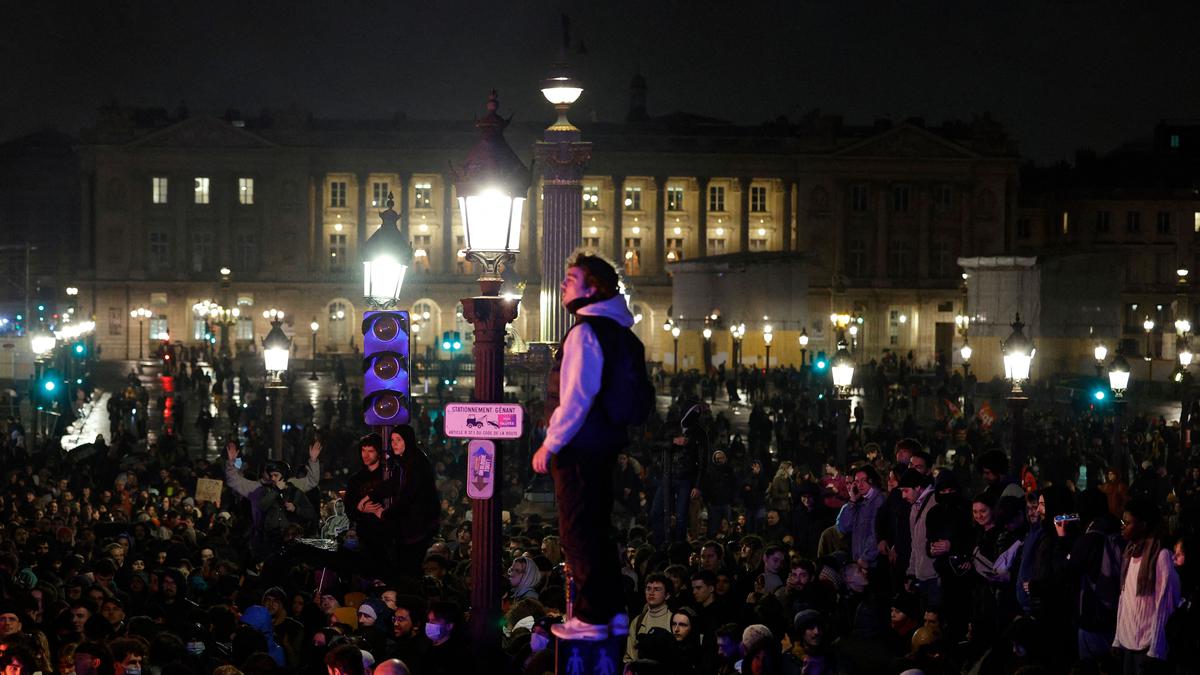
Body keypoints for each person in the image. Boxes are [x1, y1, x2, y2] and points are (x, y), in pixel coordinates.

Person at [532, 253, 642, 641]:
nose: (564, 284)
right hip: (605, 443)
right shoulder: (618, 331)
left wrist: (550, 443)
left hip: (579, 444)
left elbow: (576, 395)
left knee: (577, 529)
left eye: (572, 277)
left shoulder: (584, 332)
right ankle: (612, 611)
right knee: (598, 527)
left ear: (593, 287)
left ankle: (591, 617)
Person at [1113, 498, 1182, 671]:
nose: (1122, 526)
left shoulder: (1161, 556)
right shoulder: (1129, 553)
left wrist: (1156, 650)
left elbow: (1164, 607)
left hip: (1147, 647)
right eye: (1122, 521)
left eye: (1127, 523)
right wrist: (1117, 638)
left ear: (1143, 525)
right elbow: (1124, 599)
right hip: (1127, 643)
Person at [385, 426, 440, 581]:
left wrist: (385, 514)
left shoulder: (416, 464)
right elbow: (393, 485)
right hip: (410, 527)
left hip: (417, 528)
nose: (394, 444)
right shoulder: (404, 462)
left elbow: (408, 495)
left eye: (398, 440)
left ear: (407, 441)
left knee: (410, 570)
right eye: (392, 440)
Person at [625, 574, 673, 663]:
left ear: (667, 595)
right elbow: (630, 656)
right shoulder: (638, 621)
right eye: (648, 588)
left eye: (657, 589)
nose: (651, 592)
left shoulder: (673, 620)